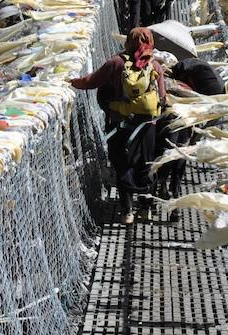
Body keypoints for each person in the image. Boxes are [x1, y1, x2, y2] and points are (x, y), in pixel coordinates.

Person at [70, 28, 166, 223]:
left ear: (128, 42)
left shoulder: (116, 63)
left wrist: (70, 82)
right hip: (147, 126)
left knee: (122, 164)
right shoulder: (154, 65)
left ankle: (127, 211)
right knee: (146, 163)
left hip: (119, 124)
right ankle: (146, 208)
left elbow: (90, 82)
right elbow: (163, 98)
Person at [157, 57, 226, 220]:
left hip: (190, 114)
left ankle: (163, 190)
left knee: (169, 155)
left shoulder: (185, 72)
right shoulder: (205, 75)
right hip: (202, 115)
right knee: (180, 159)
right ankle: (174, 201)